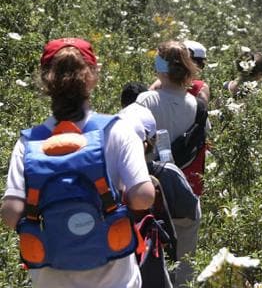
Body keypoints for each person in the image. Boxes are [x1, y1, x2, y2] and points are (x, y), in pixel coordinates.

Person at [0, 37, 155, 288]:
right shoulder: (117, 131)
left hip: (51, 277)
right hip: (115, 277)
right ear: (93, 75)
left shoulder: (30, 142)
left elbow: (10, 213)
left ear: (44, 79)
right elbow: (144, 197)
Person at [135, 40, 203, 288]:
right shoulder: (196, 105)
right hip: (185, 193)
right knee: (185, 266)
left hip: (152, 194)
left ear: (160, 65)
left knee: (151, 264)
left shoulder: (146, 101)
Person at [119, 103, 201, 288]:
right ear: (153, 141)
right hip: (164, 267)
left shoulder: (109, 178)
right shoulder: (167, 173)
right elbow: (192, 215)